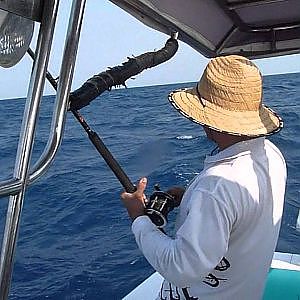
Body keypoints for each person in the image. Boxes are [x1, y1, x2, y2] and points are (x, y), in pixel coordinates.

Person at [121, 55, 287, 300]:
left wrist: (138, 218)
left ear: (209, 120)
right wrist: (190, 197)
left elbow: (181, 269)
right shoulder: (272, 155)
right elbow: (240, 207)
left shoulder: (215, 187)